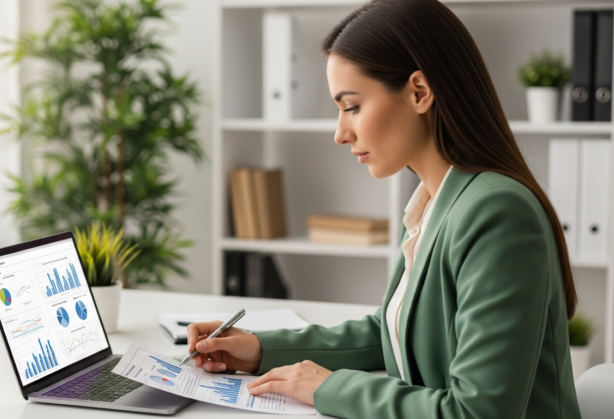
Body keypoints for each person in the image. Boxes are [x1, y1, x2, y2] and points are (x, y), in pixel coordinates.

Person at [186, 0, 583, 417]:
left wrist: (330, 388)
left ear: (419, 92)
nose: (340, 133)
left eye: (352, 106)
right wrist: (260, 347)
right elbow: (396, 330)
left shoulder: (496, 212)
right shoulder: (432, 203)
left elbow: (478, 411)